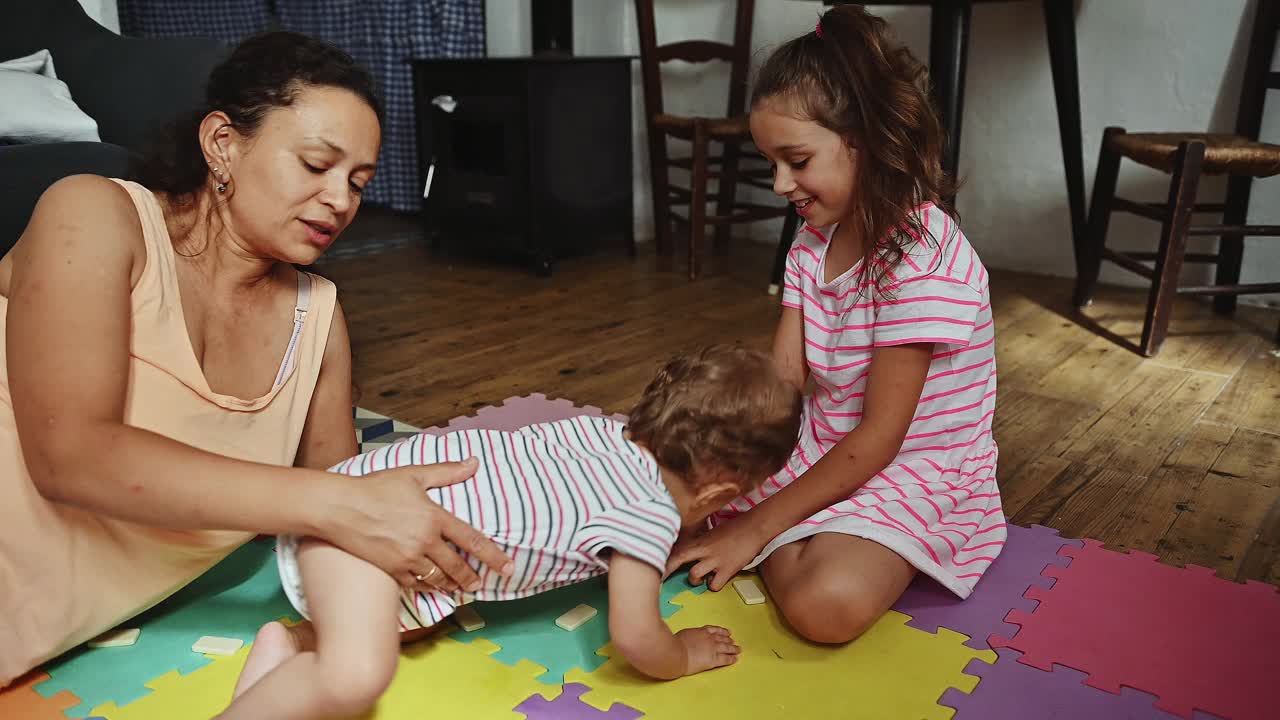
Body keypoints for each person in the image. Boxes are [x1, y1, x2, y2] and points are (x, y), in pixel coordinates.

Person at [0, 31, 514, 687]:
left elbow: (339, 515)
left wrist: (413, 572)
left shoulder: (319, 320)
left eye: (358, 183)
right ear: (222, 144)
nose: (340, 201)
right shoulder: (94, 215)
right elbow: (69, 455)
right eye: (315, 164)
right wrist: (339, 505)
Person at [218, 345, 802, 720]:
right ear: (718, 496)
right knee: (358, 678)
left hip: (356, 488)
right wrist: (683, 653)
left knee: (408, 632)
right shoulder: (647, 516)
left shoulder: (600, 431)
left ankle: (288, 649)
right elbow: (636, 636)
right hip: (365, 545)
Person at [666, 5, 1006, 645]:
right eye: (771, 162)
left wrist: (753, 525)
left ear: (870, 139)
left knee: (827, 605)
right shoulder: (811, 241)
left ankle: (797, 540)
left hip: (914, 468)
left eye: (795, 160)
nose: (778, 185)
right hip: (821, 445)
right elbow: (784, 384)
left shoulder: (923, 260)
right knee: (668, 497)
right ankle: (792, 531)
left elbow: (880, 440)